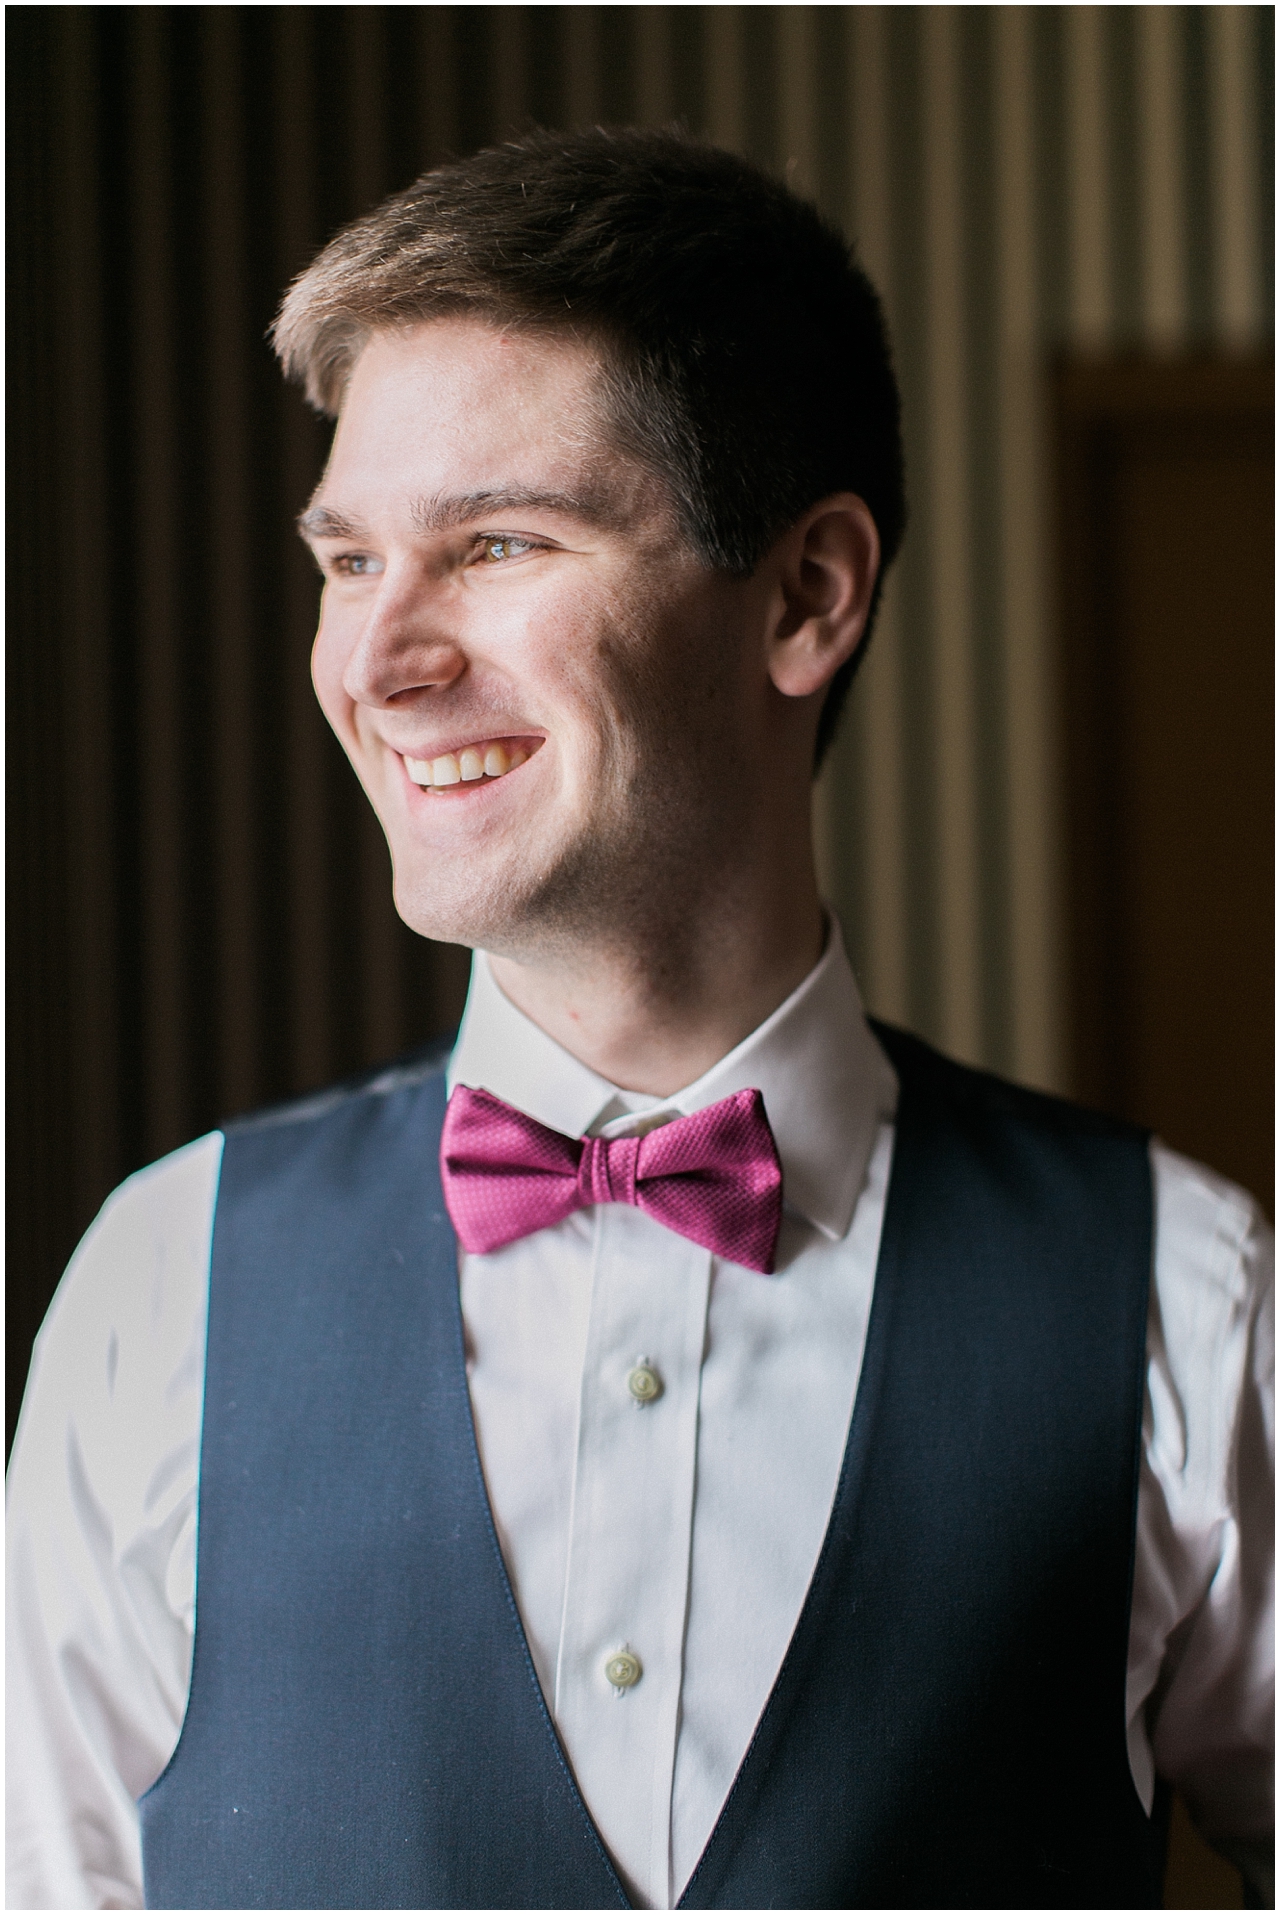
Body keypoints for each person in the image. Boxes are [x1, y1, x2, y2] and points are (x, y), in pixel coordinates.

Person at [6, 128, 1272, 1911]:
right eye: (348, 559)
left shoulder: (1189, 1297)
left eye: (498, 543)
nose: (377, 663)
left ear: (809, 595)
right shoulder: (156, 1291)